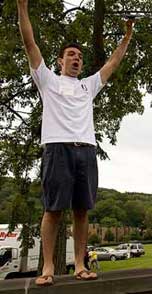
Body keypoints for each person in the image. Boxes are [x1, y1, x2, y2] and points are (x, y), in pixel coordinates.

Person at [17, 0, 135, 286]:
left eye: (79, 56)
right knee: (53, 209)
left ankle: (80, 264)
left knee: (81, 210)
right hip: (58, 149)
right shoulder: (47, 80)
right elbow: (30, 44)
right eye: (71, 55)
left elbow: (113, 63)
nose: (76, 58)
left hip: (86, 151)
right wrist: (22, 8)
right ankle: (46, 268)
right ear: (60, 61)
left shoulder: (88, 85)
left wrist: (127, 37)